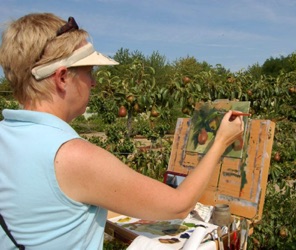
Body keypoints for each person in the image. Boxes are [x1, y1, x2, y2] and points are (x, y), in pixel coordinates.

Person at [0, 13, 244, 249]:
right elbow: (178, 205)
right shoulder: (70, 156)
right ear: (62, 77)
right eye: (88, 71)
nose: (93, 82)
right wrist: (221, 141)